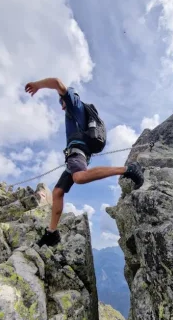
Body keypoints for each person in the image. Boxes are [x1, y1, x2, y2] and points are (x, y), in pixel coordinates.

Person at [24, 77, 145, 248]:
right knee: (58, 192)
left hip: (77, 155)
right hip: (73, 157)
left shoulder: (74, 104)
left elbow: (58, 83)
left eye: (61, 101)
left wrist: (38, 85)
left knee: (79, 177)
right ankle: (52, 233)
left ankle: (128, 169)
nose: (61, 106)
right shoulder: (76, 112)